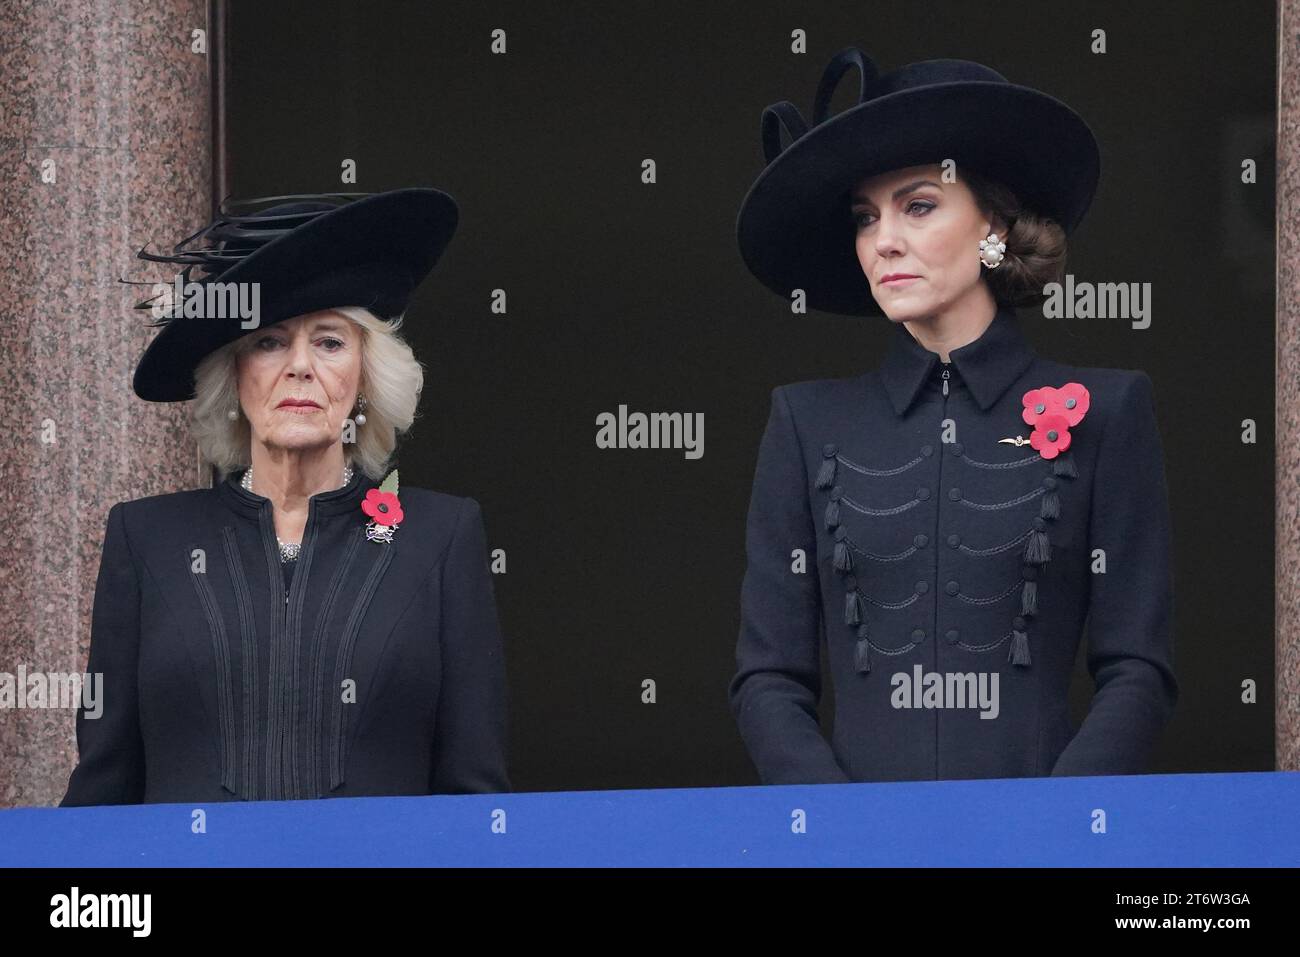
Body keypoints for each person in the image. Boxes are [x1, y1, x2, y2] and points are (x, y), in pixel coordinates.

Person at [729, 49, 1177, 783]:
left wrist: (1053, 829)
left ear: (993, 226)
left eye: (919, 205)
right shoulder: (804, 423)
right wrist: (845, 837)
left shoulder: (1109, 410)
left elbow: (1138, 668)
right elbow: (767, 680)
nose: (884, 240)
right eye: (865, 217)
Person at [60, 190, 510, 804]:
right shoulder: (147, 540)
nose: (299, 367)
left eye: (329, 342)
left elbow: (474, 795)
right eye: (268, 342)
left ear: (364, 378)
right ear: (233, 374)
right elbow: (101, 794)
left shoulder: (439, 535)